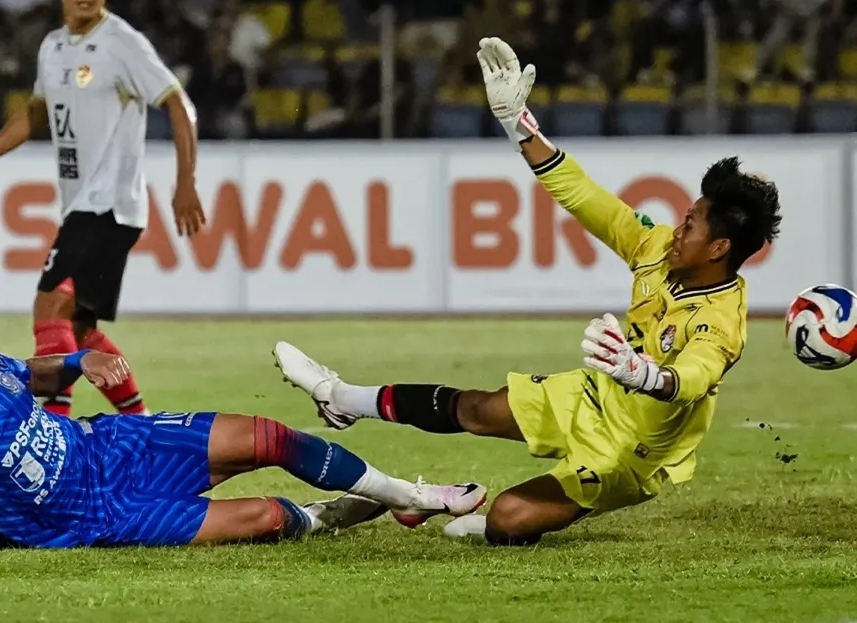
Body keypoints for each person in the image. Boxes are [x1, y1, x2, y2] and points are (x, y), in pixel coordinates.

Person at [273, 37, 782, 547]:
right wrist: (518, 122)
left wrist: (642, 373)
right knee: (477, 408)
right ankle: (340, 398)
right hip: (595, 395)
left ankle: (559, 507)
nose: (676, 229)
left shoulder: (722, 320)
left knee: (507, 521)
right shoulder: (653, 246)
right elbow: (585, 196)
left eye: (689, 226)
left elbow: (693, 378)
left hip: (631, 451)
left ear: (718, 248)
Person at [0, 293, 486, 555]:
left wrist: (81, 359)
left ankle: (412, 496)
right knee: (268, 516)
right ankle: (324, 515)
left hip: (113, 446)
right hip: (95, 519)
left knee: (269, 437)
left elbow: (39, 376)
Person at [0, 0, 206, 419]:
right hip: (85, 204)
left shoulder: (121, 42)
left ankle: (54, 433)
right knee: (81, 331)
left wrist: (185, 181)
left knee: (49, 307)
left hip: (108, 206)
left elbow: (177, 102)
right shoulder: (53, 47)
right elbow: (34, 114)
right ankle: (141, 427)